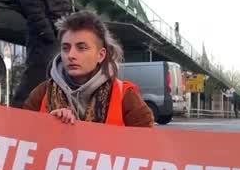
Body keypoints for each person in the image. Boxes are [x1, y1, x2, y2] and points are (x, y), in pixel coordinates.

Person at [22, 10, 153, 127]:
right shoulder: (42, 93)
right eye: (65, 48)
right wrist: (47, 124)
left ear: (101, 55)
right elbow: (22, 135)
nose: (71, 55)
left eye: (81, 48)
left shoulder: (125, 96)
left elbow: (147, 142)